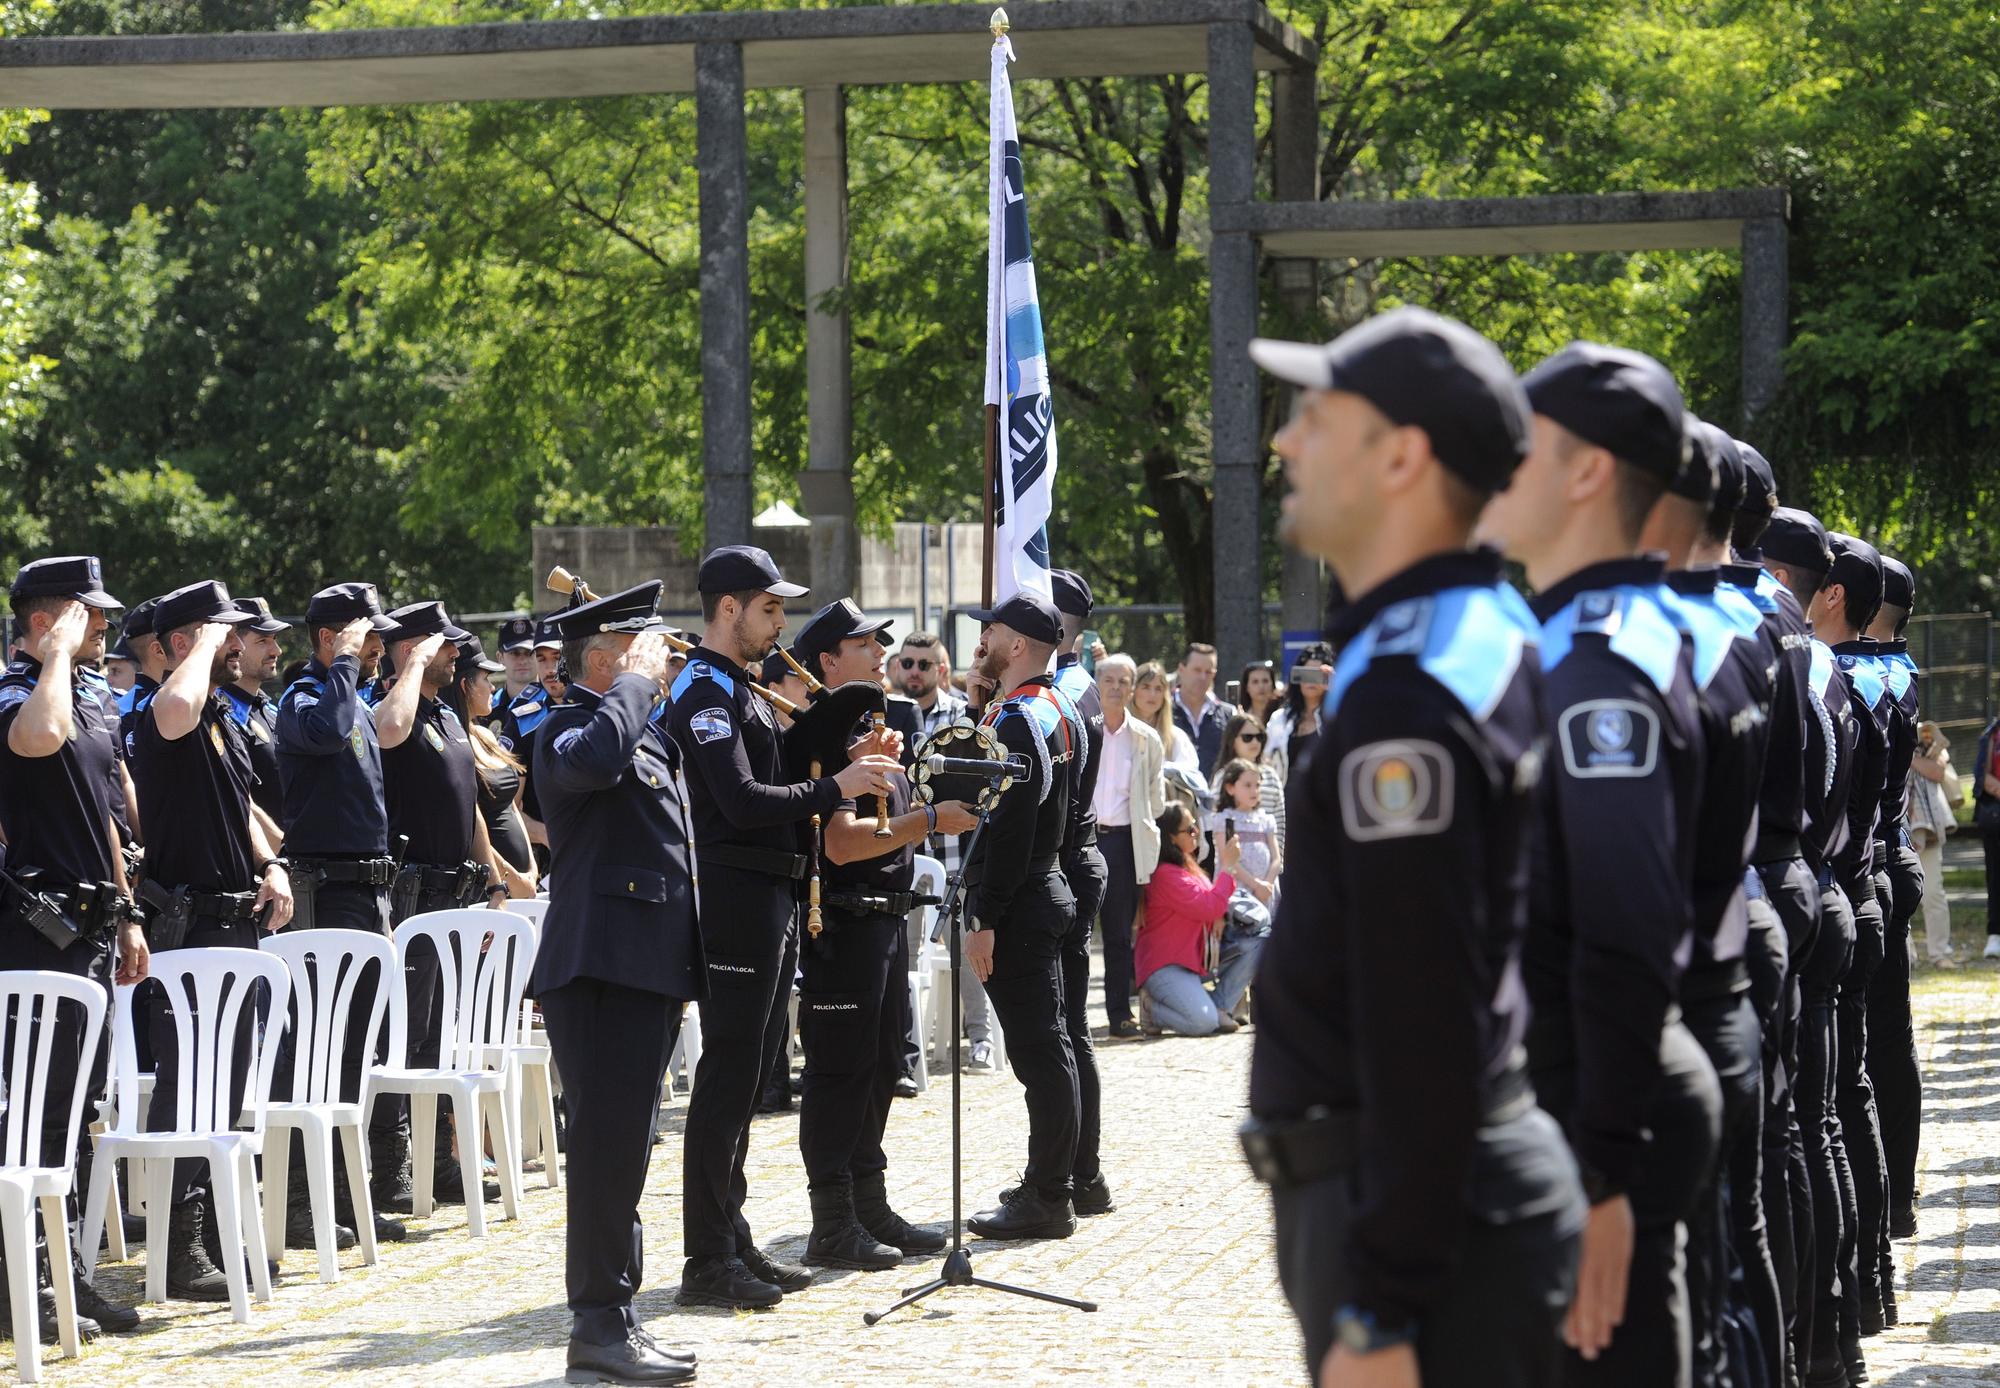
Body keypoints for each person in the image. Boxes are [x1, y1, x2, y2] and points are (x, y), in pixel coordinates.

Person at [1245, 309, 1585, 1388]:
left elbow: (1422, 1006)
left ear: (1400, 455)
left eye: (1313, 415)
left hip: (1429, 1240)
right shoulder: (1466, 632)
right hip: (1460, 1193)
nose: (1284, 443)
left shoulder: (1409, 690)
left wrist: (1378, 1301)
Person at [1478, 337, 1723, 1388]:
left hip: (1597, 1104)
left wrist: (1600, 1166)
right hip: (1592, 1090)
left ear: (1584, 474)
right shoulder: (1597, 638)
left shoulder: (1600, 669)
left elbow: (1624, 927)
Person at [668, 546, 897, 1310]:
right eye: (769, 609)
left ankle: (731, 1236)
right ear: (728, 609)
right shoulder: (703, 687)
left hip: (772, 895)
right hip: (736, 897)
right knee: (728, 1080)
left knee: (751, 1074)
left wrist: (842, 751)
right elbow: (739, 797)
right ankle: (706, 1258)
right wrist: (837, 783)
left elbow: (783, 764)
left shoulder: (738, 686)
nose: (781, 624)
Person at [1640, 419, 1785, 1388]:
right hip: (1760, 905)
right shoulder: (1769, 624)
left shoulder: (1693, 634)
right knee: (1750, 1207)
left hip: (1708, 935)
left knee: (1711, 1238)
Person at [532, 580, 700, 1386]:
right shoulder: (566, 731)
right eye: (639, 649)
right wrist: (635, 681)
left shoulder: (647, 735)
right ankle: (596, 1325)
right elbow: (596, 760)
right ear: (602, 658)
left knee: (628, 1151)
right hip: (598, 971)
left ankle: (617, 1316)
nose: (660, 659)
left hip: (645, 970)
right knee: (604, 1153)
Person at [788, 598, 966, 1269]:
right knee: (841, 1070)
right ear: (829, 659)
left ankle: (868, 1202)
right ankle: (831, 1221)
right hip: (843, 919)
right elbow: (838, 844)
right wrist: (929, 822)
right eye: (865, 645)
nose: (881, 657)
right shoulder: (820, 735)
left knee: (886, 1061)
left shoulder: (870, 725)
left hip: (885, 914)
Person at [131, 580, 298, 1290]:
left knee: (225, 1087)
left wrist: (272, 863)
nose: (233, 644)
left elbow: (243, 807)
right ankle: (176, 1249)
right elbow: (171, 708)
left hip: (232, 922)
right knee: (187, 1089)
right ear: (180, 644)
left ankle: (213, 1233)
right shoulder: (167, 709)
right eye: (219, 633)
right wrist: (197, 647)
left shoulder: (220, 717)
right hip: (189, 923)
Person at [0, 555, 149, 1341]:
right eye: (85, 615)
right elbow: (37, 738)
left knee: (74, 1113)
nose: (101, 628)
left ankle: (65, 1275)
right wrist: (53, 654)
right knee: (29, 1115)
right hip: (34, 936)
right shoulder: (17, 695)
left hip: (90, 932)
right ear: (42, 622)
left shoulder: (87, 699)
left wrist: (128, 915)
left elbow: (108, 825)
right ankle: (22, 1284)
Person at [1761, 507, 1864, 1385]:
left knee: (1789, 1135)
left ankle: (1807, 1342)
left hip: (1795, 884)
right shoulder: (1821, 661)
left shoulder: (1781, 649)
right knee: (1813, 1125)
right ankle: (1830, 1333)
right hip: (1823, 884)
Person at [274, 581, 409, 1234]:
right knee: (319, 1052)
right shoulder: (306, 699)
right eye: (365, 637)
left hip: (366, 893)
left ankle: (346, 1197)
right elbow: (324, 733)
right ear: (329, 639)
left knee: (356, 1054)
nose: (377, 647)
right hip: (326, 896)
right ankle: (305, 1205)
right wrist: (346, 664)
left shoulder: (349, 699)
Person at [957, 591, 1085, 1241]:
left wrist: (985, 918)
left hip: (1022, 897)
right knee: (1052, 1048)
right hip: (1050, 882)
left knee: (1040, 1055)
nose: (983, 639)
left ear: (1016, 647)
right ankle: (1053, 1179)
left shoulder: (1018, 720)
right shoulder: (1057, 706)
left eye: (993, 631)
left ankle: (1048, 1195)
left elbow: (1005, 829)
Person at [378, 601, 514, 1209]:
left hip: (455, 894)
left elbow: (471, 806)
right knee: (404, 1041)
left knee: (440, 1041)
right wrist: (407, 667)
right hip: (414, 893)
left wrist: (492, 880)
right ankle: (396, 1169)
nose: (457, 653)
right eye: (443, 645)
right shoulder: (397, 705)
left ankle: (439, 1161)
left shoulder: (447, 714)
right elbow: (389, 732)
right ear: (411, 650)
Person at [1820, 531, 1895, 1363]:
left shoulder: (1850, 678)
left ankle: (1845, 1311)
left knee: (1824, 1111)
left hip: (1839, 881)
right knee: (1843, 1100)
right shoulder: (1860, 677)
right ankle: (1860, 1294)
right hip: (1854, 883)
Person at [1046, 568, 1115, 1214]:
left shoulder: (1066, 689)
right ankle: (1080, 1170)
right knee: (1070, 1030)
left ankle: (1073, 1173)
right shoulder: (1078, 683)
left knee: (1062, 1031)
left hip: (1067, 858)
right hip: (1081, 854)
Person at [1865, 555, 1924, 1249]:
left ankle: (1890, 1199)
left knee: (1871, 1048)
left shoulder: (1865, 674)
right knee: (1889, 1041)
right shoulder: (1896, 671)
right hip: (1892, 855)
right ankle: (1897, 1197)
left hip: (1874, 862)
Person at [1090, 653, 1165, 1039]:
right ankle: (1073, 1017)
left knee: (1119, 935)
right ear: (1096, 682)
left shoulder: (1146, 739)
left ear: (1132, 687)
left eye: (1124, 681)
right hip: (1083, 839)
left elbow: (1157, 798)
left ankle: (1120, 1014)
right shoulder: (1084, 729)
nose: (1116, 687)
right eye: (1109, 680)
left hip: (1122, 842)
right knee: (1076, 929)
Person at [1134, 803, 1242, 1037]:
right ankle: (1151, 1008)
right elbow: (1209, 906)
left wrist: (1219, 914)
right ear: (1171, 837)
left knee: (1256, 940)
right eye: (1190, 829)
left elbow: (1212, 902)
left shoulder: (1186, 865)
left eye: (1196, 825)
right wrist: (1228, 866)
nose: (1196, 832)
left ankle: (1218, 1006)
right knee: (1202, 1024)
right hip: (1165, 967)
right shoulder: (1165, 875)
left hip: (1195, 961)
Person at [446, 632, 538, 899]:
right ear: (465, 686)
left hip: (524, 882)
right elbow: (472, 824)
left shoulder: (485, 736)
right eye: (486, 679)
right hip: (487, 888)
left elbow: (512, 807)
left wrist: (531, 869)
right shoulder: (454, 743)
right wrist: (510, 878)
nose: (492, 688)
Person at [218, 596, 291, 824]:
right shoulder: (219, 713)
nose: (276, 650)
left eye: (275, 639)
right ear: (235, 645)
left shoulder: (270, 710)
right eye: (262, 641)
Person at [1909, 720, 1960, 965]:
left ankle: (1939, 952)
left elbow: (1938, 771)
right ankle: (1906, 957)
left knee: (1932, 893)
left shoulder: (1927, 733)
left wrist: (1908, 758)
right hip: (1896, 826)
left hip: (1928, 828)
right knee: (1900, 894)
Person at [1211, 711, 1285, 849]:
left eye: (1259, 737)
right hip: (1233, 861)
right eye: (1247, 737)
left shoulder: (1271, 775)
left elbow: (1279, 824)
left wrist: (1278, 862)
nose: (1255, 742)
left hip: (1268, 862)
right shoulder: (1223, 777)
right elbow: (1217, 822)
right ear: (1232, 741)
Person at [1265, 641, 1331, 784]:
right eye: (1306, 673)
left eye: (1317, 674)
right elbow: (1266, 760)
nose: (1311, 681)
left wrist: (1338, 689)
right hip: (1286, 801)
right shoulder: (1280, 719)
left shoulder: (1335, 718)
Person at [1171, 641, 1235, 771]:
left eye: (1208, 672)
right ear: (1181, 669)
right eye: (1197, 670)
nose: (1202, 677)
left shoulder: (1228, 714)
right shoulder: (1162, 710)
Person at [494, 616, 538, 711]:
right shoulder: (488, 708)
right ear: (500, 657)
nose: (522, 661)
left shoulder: (553, 702)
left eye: (529, 653)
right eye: (514, 653)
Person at [1237, 659, 1281, 724]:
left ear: (1273, 685)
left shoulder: (1282, 715)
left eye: (1265, 681)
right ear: (1247, 687)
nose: (1261, 686)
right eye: (1255, 682)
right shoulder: (1240, 716)